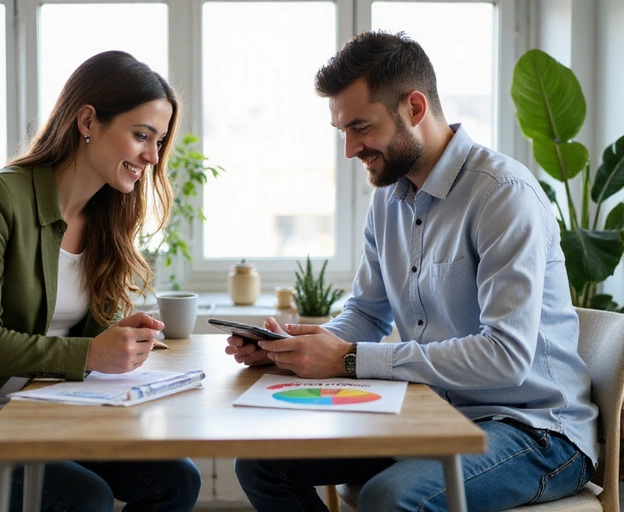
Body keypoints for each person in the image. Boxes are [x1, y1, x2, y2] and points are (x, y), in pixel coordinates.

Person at [226, 31, 597, 512]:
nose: (349, 149)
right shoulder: (387, 200)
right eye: (342, 131)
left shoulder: (502, 195)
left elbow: (505, 356)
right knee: (262, 465)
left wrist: (350, 360)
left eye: (360, 127)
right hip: (429, 414)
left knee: (390, 497)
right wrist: (294, 352)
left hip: (536, 430)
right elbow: (365, 314)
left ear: (415, 108)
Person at [0, 51, 201, 511]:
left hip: (39, 416)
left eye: (159, 140)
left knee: (178, 479)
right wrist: (91, 352)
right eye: (141, 135)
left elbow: (84, 338)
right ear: (88, 120)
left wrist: (118, 340)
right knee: (84, 498)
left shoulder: (107, 219)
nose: (153, 155)